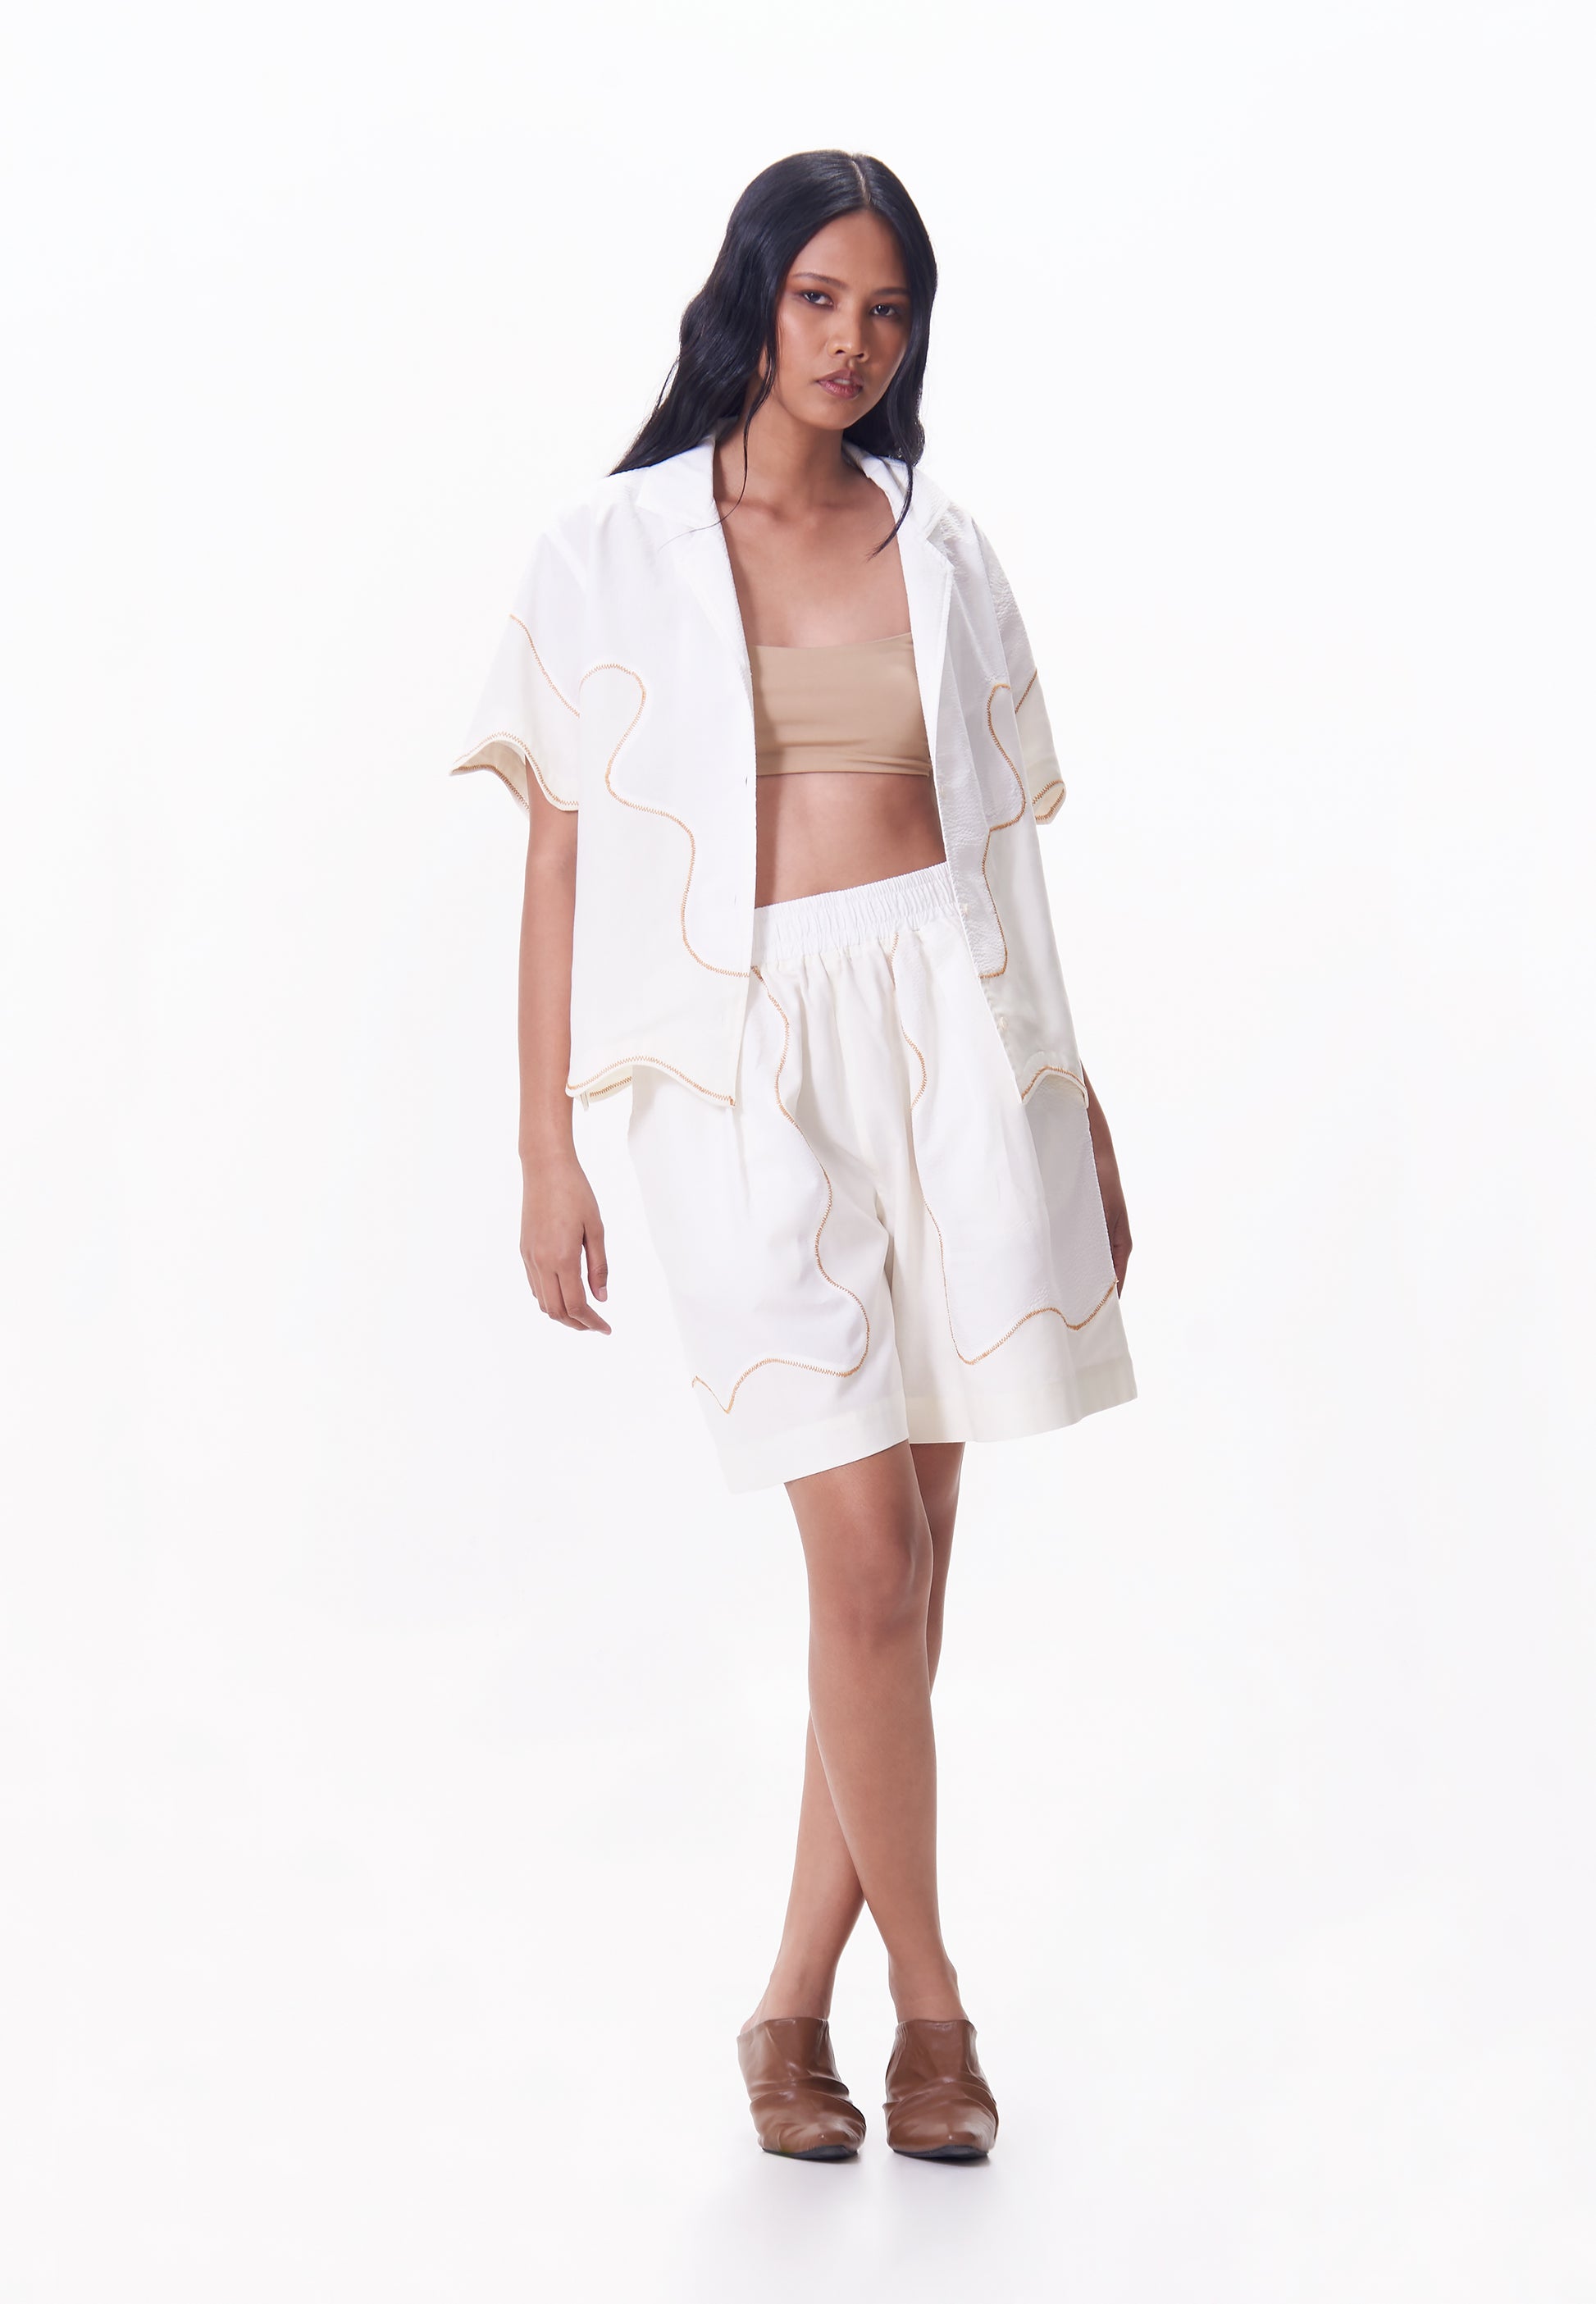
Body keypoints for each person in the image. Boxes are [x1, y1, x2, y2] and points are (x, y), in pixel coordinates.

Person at [451, 149, 1137, 2162]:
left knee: (902, 1575)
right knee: (863, 1552)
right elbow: (559, 863)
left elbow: (1000, 861)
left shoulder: (942, 544)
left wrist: (1076, 1099)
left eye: (888, 307)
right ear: (752, 295)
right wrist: (545, 1149)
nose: (852, 341)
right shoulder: (609, 548)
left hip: (952, 1041)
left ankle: (783, 2013)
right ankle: (932, 2009)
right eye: (820, 296)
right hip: (736, 1060)